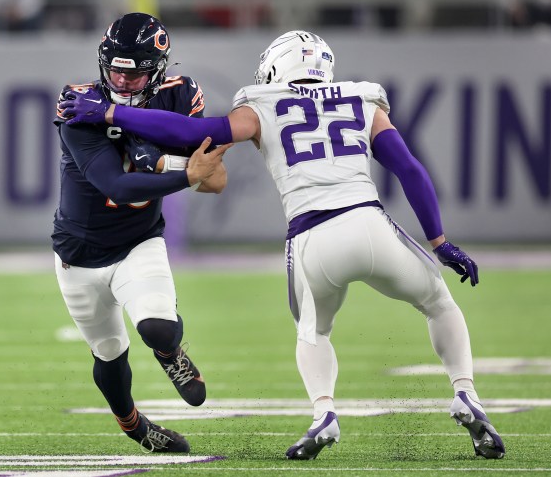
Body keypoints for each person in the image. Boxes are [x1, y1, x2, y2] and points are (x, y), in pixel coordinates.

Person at [59, 30, 506, 461]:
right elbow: (409, 169)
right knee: (440, 304)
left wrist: (113, 115)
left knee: (314, 330)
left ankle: (324, 413)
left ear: (273, 68)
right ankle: (466, 392)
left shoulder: (261, 105)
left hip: (313, 238)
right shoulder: (362, 98)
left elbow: (196, 134)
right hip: (371, 221)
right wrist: (441, 242)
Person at [52, 12, 231, 453]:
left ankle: (172, 355)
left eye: (134, 76)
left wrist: (177, 166)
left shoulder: (179, 94)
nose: (122, 82)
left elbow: (216, 179)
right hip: (78, 254)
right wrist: (183, 173)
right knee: (110, 352)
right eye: (115, 72)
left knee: (158, 327)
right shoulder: (78, 102)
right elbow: (116, 183)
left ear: (158, 71)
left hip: (138, 241)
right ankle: (134, 425)